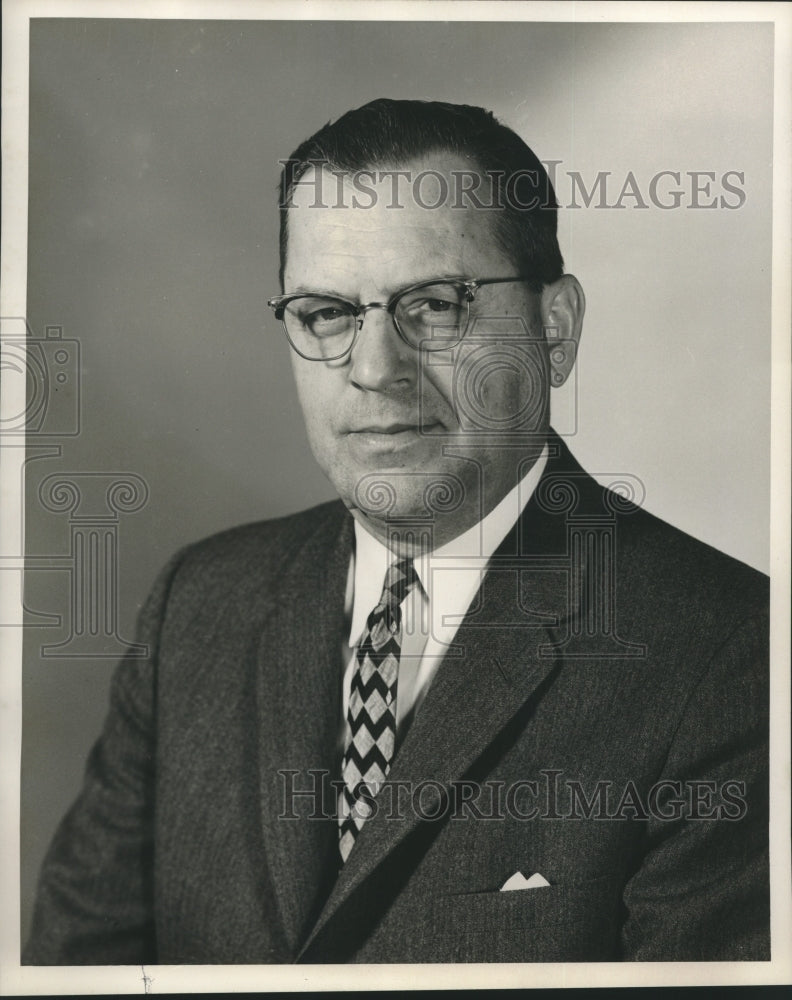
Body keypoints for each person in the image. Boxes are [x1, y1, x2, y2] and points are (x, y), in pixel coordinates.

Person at [24, 98, 769, 965]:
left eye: (436, 305)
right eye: (326, 313)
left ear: (554, 328)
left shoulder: (731, 653)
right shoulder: (199, 604)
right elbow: (78, 968)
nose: (375, 370)